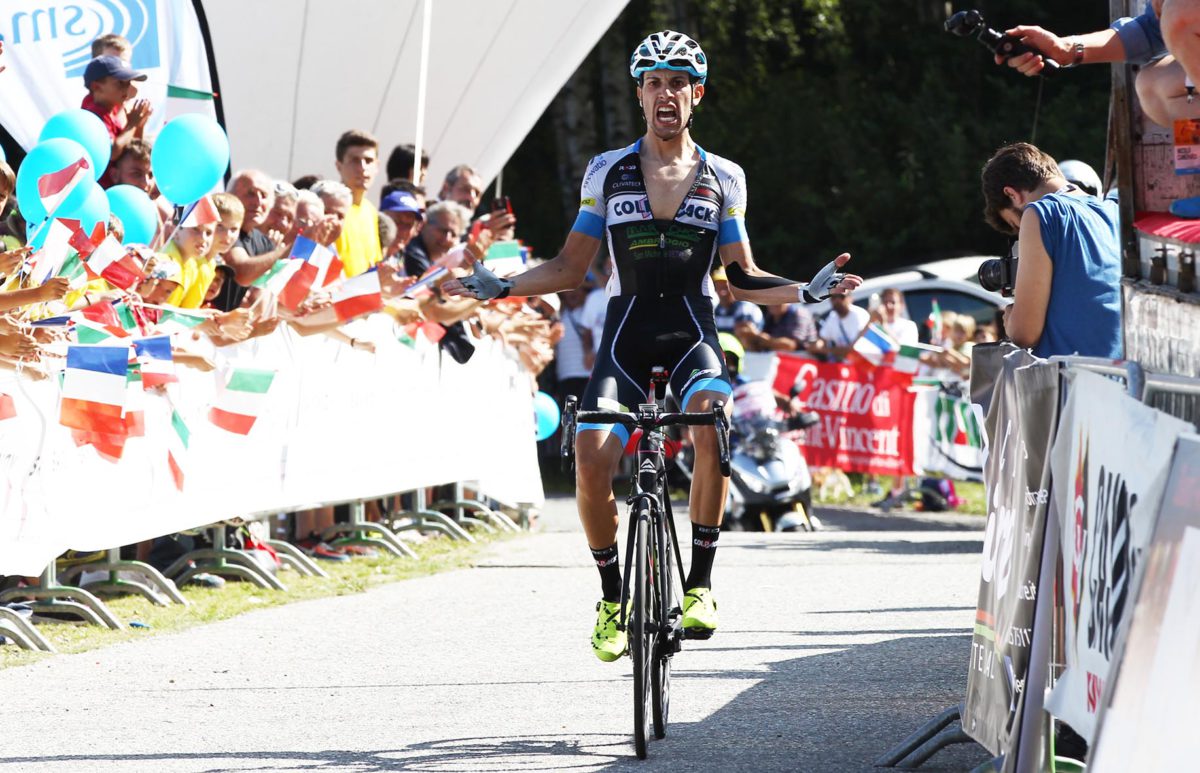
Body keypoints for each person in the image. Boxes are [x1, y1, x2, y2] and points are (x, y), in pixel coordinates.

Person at [444, 30, 861, 661]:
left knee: (710, 428)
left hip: (693, 329)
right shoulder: (605, 172)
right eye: (653, 83)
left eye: (678, 83)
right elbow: (570, 266)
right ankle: (612, 597)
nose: (666, 94)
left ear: (697, 94)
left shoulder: (726, 176)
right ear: (640, 94)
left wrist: (807, 291)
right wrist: (500, 285)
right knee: (589, 458)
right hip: (626, 333)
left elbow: (740, 278)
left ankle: (699, 586)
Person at [981, 142, 1122, 359]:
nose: (1022, 235)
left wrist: (1010, 318)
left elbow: (1024, 333)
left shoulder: (1041, 213)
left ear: (1012, 194)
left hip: (1074, 379)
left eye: (1016, 226)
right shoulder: (1113, 210)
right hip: (1119, 371)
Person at [80, 55, 152, 186]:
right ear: (97, 87)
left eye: (128, 83)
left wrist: (139, 125)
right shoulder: (93, 113)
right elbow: (111, 152)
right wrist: (132, 125)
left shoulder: (112, 110)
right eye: (120, 83)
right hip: (103, 192)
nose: (126, 89)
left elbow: (131, 151)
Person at [332, 130, 383, 277]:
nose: (362, 168)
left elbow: (373, 265)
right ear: (338, 165)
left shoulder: (370, 211)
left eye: (368, 161)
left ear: (377, 166)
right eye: (354, 160)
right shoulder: (329, 209)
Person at [809, 291, 870, 362]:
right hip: (844, 366)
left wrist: (824, 350)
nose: (837, 301)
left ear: (850, 298)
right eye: (833, 297)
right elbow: (823, 338)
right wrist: (816, 345)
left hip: (861, 363)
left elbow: (853, 349)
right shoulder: (833, 317)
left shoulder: (860, 315)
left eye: (842, 297)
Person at [710, 264, 763, 340]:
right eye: (719, 287)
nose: (722, 292)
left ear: (735, 288)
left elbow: (748, 339)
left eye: (725, 287)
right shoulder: (718, 309)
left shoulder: (745, 308)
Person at [743, 302, 817, 353]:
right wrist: (749, 337)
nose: (773, 303)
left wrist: (757, 335)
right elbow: (762, 345)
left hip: (805, 362)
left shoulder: (799, 313)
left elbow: (790, 346)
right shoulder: (770, 316)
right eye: (770, 299)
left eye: (777, 299)